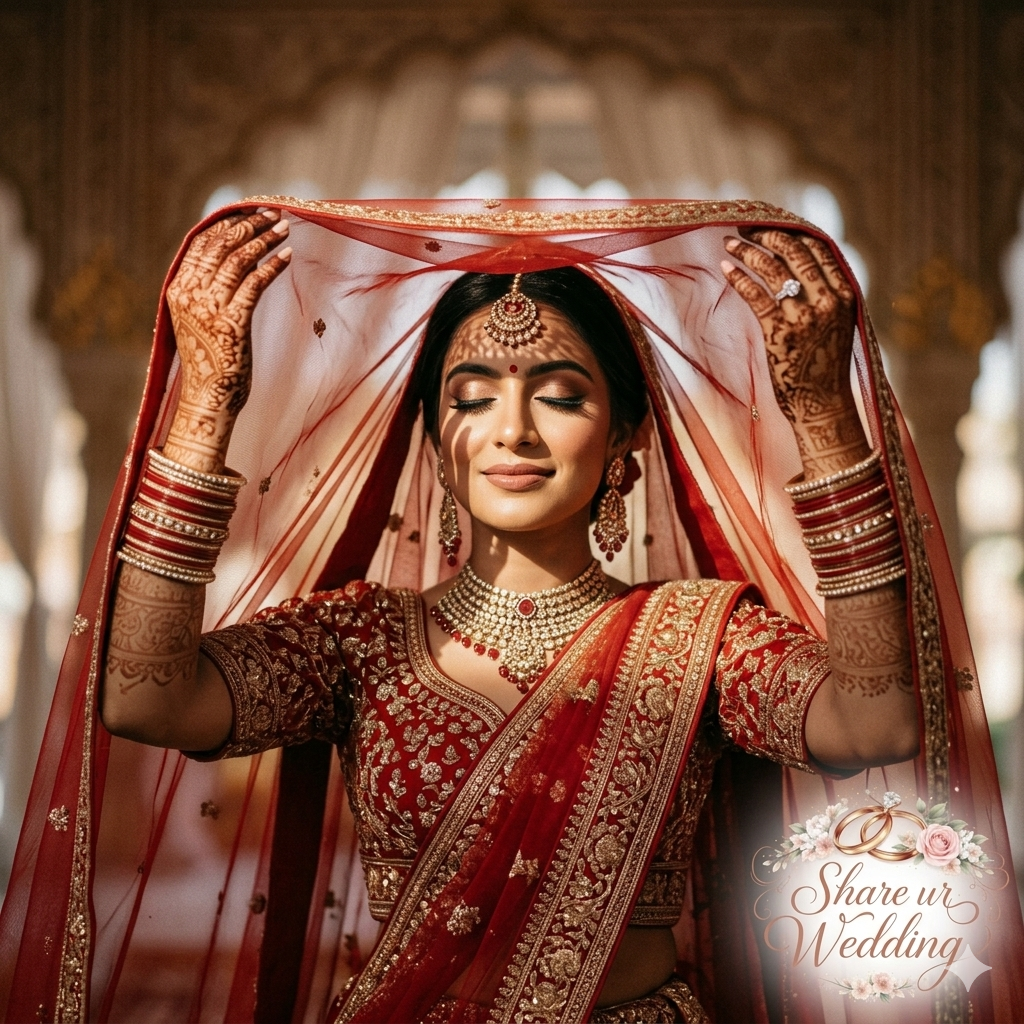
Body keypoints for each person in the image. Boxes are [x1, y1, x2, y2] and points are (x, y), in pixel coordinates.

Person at [1, 200, 1020, 1023]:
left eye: (559, 392)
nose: (512, 429)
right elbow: (142, 695)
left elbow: (877, 718)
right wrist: (204, 398)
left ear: (623, 432)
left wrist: (820, 414)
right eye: (473, 391)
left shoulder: (699, 636)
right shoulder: (360, 641)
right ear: (435, 436)